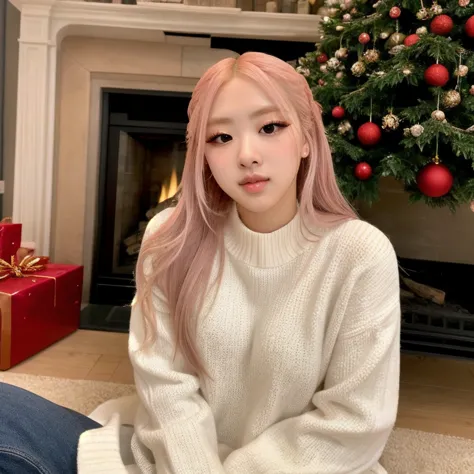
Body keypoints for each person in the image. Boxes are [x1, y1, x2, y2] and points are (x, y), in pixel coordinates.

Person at [0, 51, 400, 474]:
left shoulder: (359, 254)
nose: (246, 154)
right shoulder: (169, 236)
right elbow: (165, 389)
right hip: (168, 463)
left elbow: (355, 423)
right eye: (221, 137)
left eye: (270, 127)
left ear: (306, 138)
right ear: (203, 153)